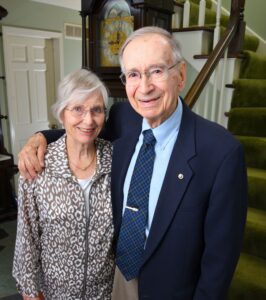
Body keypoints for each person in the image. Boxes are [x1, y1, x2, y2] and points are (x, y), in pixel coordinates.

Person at [17, 26, 248, 300]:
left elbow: (219, 264)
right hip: (117, 282)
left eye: (157, 71)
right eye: (134, 75)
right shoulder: (123, 118)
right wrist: (40, 137)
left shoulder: (221, 152)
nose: (145, 87)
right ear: (125, 81)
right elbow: (82, 130)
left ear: (181, 75)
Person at [13, 69, 115, 300]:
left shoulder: (116, 161)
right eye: (77, 109)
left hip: (106, 293)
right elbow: (26, 241)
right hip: (55, 293)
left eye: (97, 110)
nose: (88, 120)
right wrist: (31, 293)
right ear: (62, 114)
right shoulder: (38, 165)